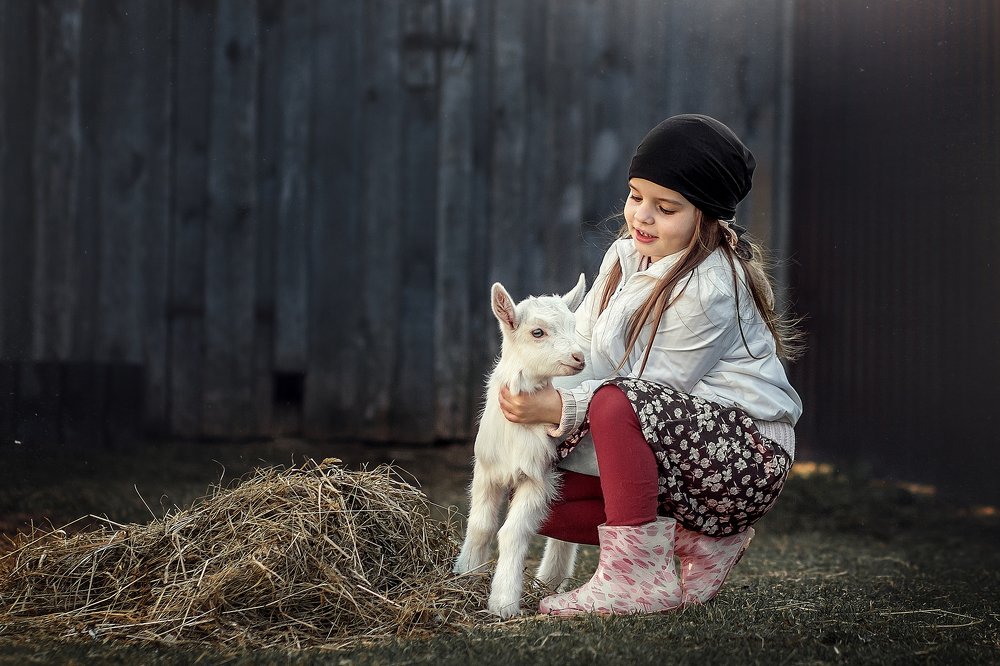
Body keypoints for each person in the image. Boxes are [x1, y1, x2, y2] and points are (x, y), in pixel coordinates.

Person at [498, 114, 803, 616]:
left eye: (665, 208)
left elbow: (648, 397)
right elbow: (587, 350)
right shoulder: (624, 257)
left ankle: (634, 578)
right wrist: (538, 393)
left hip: (743, 458)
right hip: (674, 449)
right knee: (533, 493)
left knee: (617, 403)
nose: (641, 216)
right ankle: (701, 541)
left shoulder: (711, 288)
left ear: (707, 216)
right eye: (635, 195)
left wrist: (560, 409)